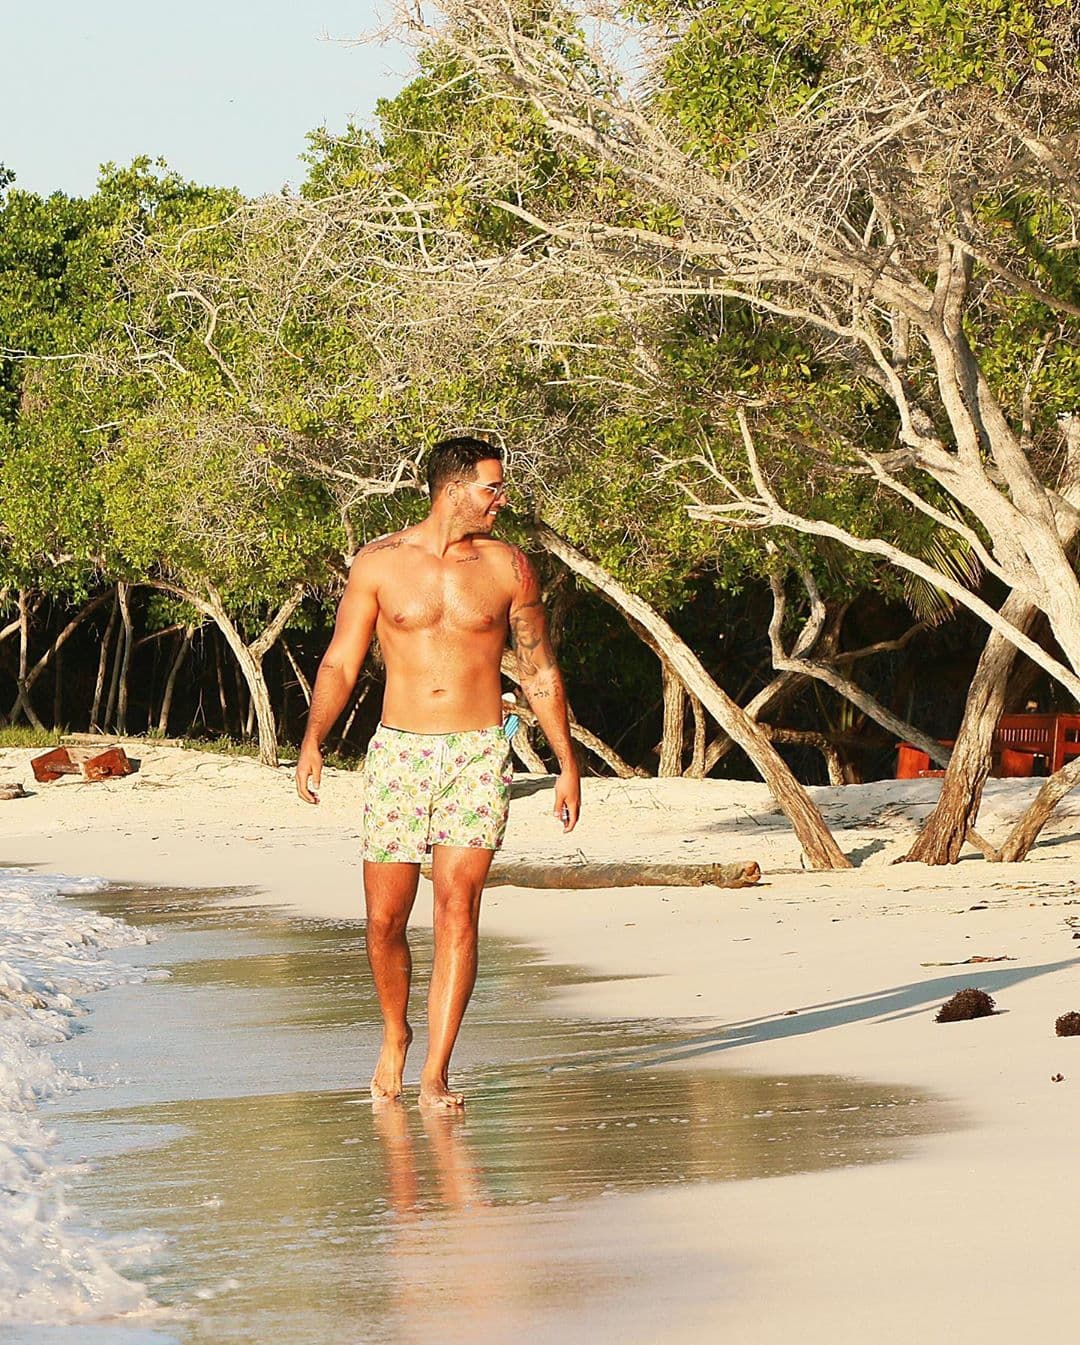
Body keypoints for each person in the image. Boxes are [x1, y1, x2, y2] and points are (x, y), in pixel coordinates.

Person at [295, 437, 581, 1109]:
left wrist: (567, 762)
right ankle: (396, 1031)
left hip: (478, 751)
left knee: (458, 906)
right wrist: (313, 740)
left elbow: (538, 668)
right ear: (453, 490)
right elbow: (340, 660)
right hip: (400, 751)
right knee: (384, 919)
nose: (501, 498)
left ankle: (435, 1071)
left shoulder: (510, 568)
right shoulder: (379, 563)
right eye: (491, 487)